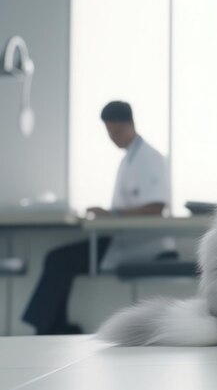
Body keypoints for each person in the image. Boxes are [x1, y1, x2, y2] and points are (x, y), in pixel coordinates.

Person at [22, 101, 175, 335]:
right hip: (123, 240)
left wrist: (112, 214)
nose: (113, 138)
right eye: (109, 132)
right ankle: (54, 327)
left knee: (58, 261)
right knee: (57, 259)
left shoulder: (149, 158)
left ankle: (48, 328)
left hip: (142, 244)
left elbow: (156, 207)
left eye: (116, 131)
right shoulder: (130, 158)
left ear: (130, 124)